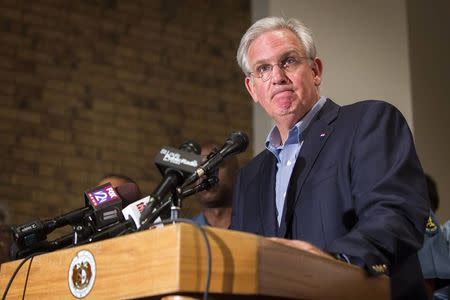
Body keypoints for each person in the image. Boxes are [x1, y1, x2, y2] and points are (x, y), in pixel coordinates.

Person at [230, 16, 429, 300]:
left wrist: (333, 263)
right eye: (263, 68)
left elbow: (395, 214)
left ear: (315, 71)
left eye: (288, 61)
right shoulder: (249, 177)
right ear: (252, 89)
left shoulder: (369, 122)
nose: (277, 78)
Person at [192, 142, 239, 228]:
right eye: (198, 168)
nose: (204, 175)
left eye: (214, 165)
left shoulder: (256, 227)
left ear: (235, 171)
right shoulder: (184, 232)